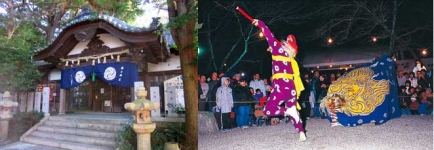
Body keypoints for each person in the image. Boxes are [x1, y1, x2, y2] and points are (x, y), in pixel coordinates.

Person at [252, 19, 306, 141]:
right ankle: (301, 132)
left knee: (268, 110)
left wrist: (260, 23)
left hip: (280, 87)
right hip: (291, 88)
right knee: (294, 111)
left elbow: (268, 35)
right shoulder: (291, 57)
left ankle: (287, 111)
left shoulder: (277, 48)